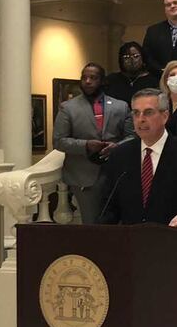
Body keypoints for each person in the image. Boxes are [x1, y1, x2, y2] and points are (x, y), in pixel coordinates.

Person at [97, 88, 177, 282]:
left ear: (164, 116)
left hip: (175, 257)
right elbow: (108, 207)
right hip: (130, 259)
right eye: (136, 113)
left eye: (148, 112)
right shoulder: (120, 156)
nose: (140, 119)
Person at [53, 63, 134, 224]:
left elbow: (133, 136)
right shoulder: (68, 108)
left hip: (117, 172)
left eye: (93, 78)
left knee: (120, 222)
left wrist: (117, 147)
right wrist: (86, 145)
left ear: (103, 81)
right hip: (83, 175)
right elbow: (59, 141)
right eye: (84, 78)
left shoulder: (121, 106)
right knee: (92, 224)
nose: (88, 81)